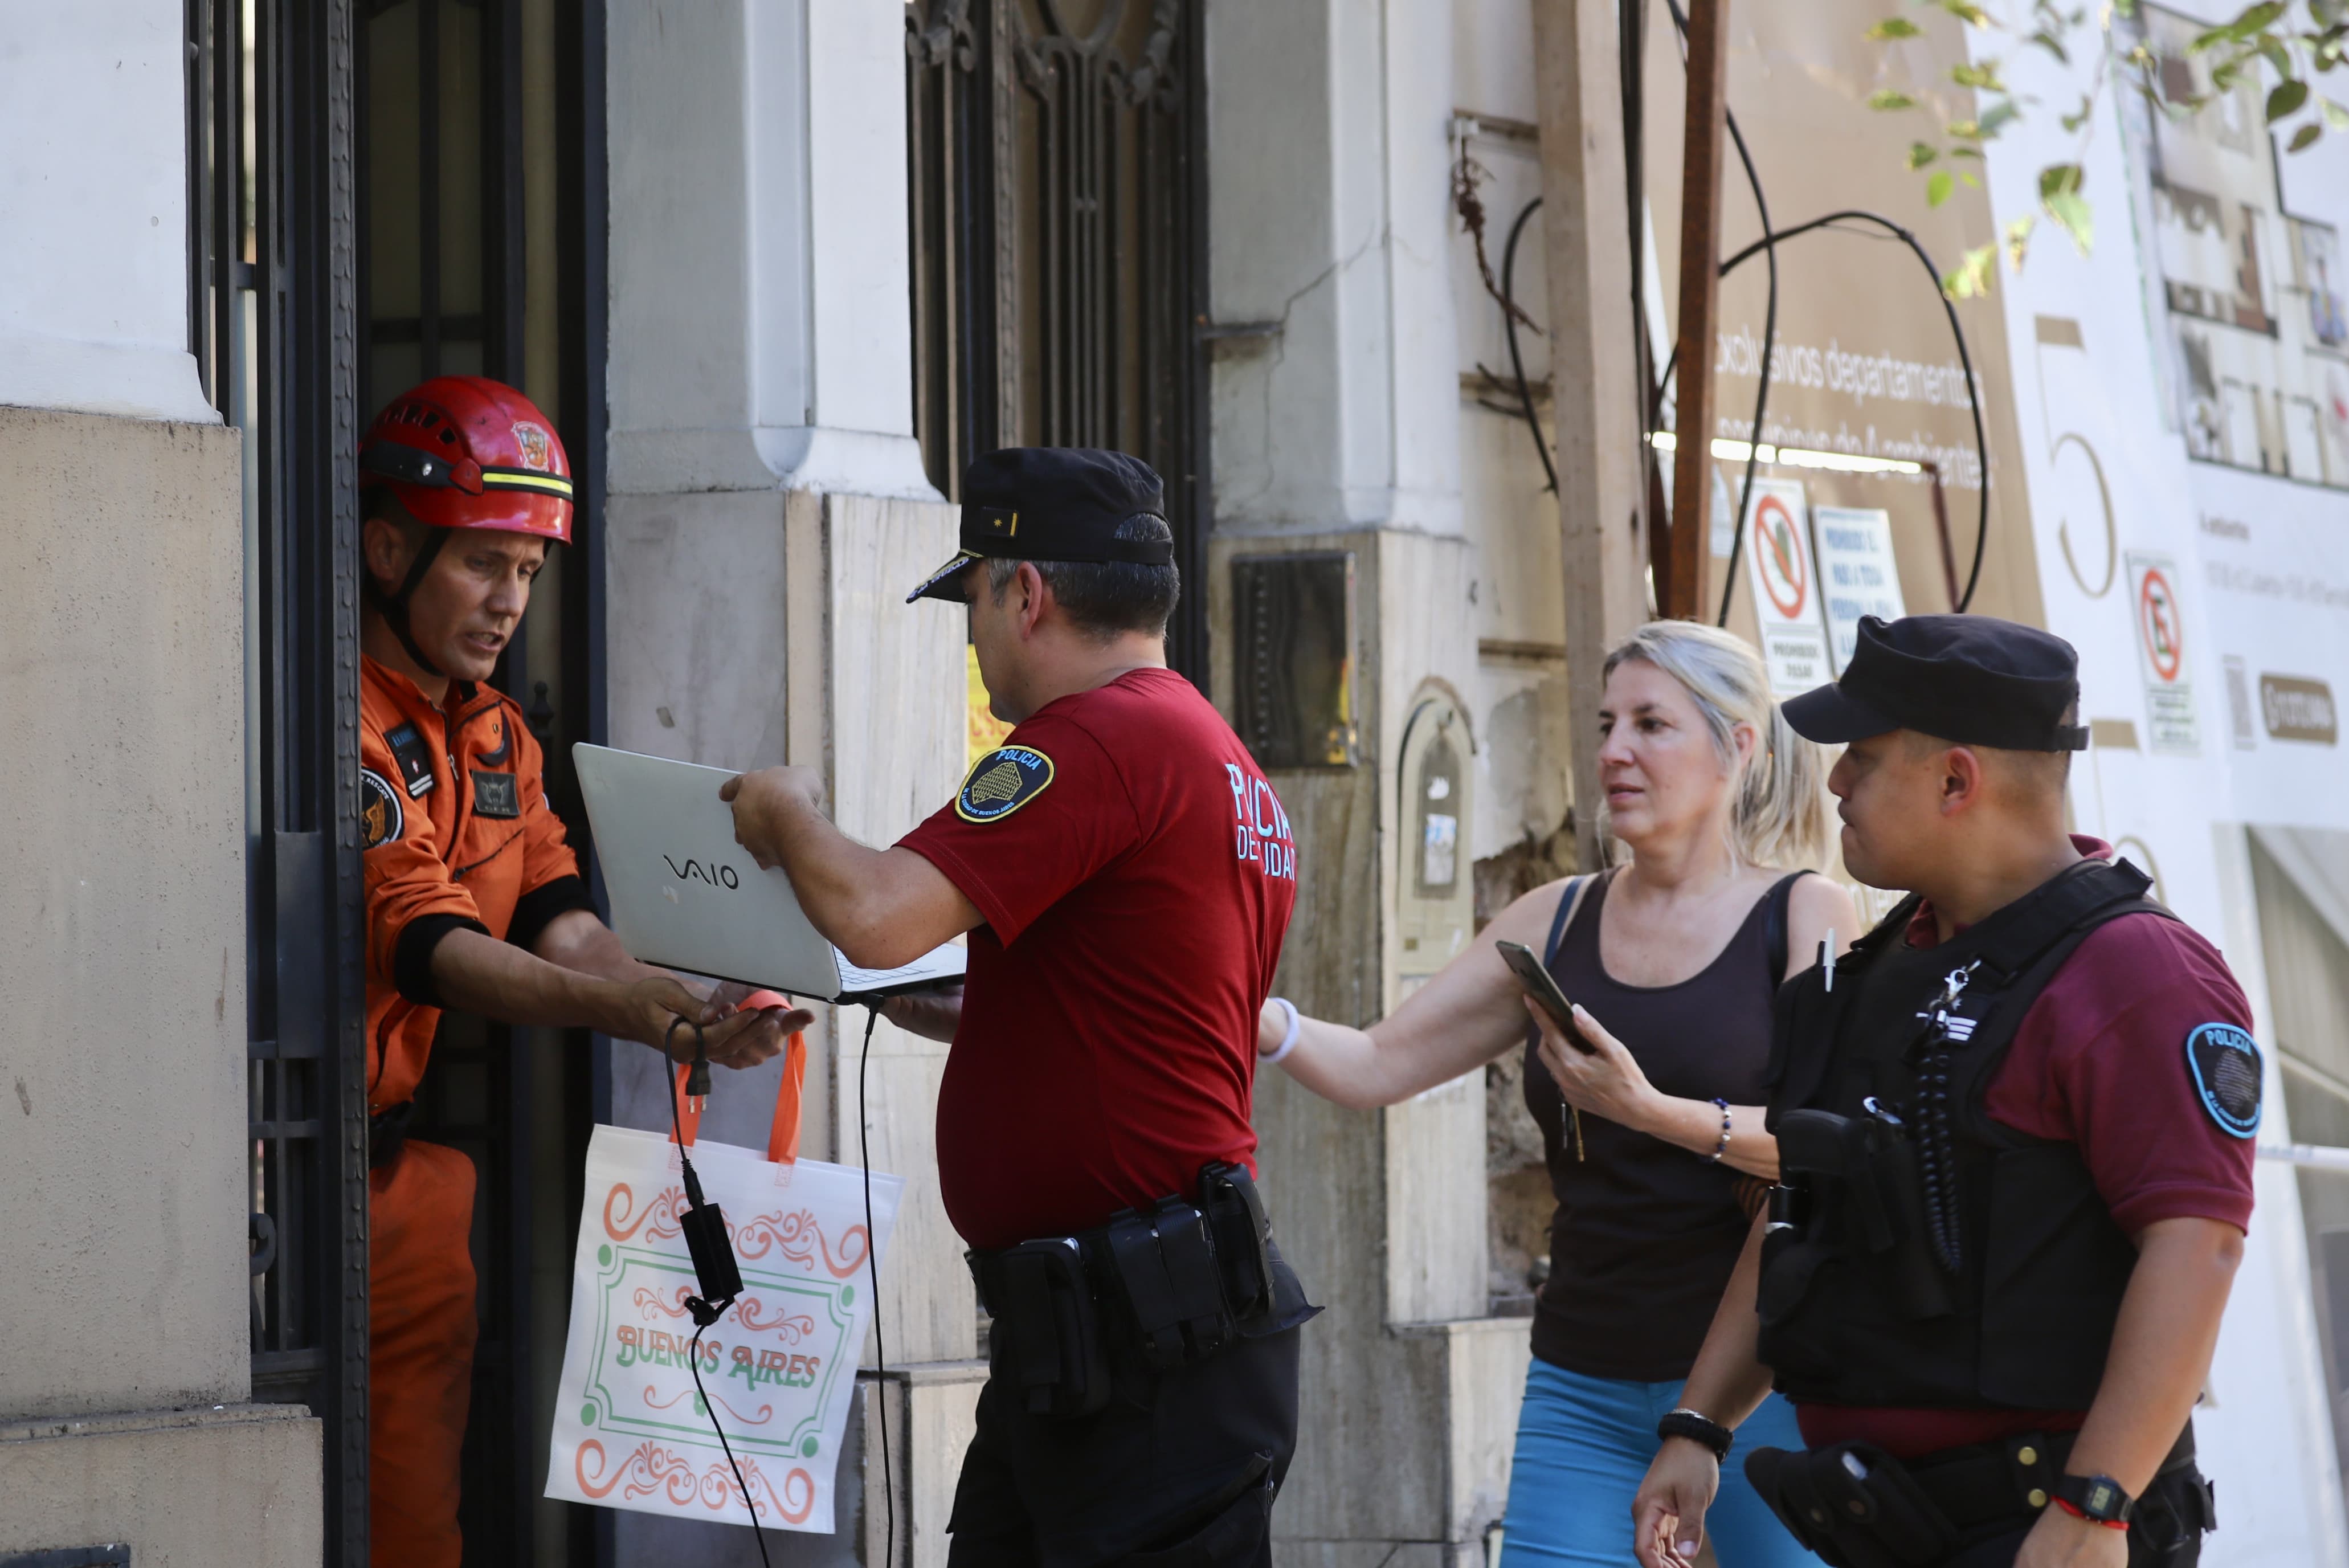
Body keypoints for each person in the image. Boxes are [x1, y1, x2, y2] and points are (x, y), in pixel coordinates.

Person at [724, 446, 1317, 1568]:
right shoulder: (1211, 750)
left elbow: (876, 915)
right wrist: (984, 1006)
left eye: (976, 601)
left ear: (1025, 591)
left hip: (1142, 1338)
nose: (977, 639)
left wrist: (787, 809)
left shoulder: (1097, 738)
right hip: (1119, 1334)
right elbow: (1157, 1007)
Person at [1630, 614, 2254, 1568]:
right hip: (1887, 1523)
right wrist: (1699, 1425)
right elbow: (1808, 1211)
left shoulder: (2137, 971)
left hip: (2049, 1522)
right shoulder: (1888, 964)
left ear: (1957, 780)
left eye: (1863, 758)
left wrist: (2095, 1508)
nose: (1835, 782)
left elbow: (2197, 1246)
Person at [1255, 620, 1856, 1568]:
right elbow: (1375, 1065)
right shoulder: (1559, 916)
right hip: (1581, 1382)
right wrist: (1252, 1014)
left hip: (1762, 1385)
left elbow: (1833, 1149)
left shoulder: (1805, 913)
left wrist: (1650, 1111)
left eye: (1652, 724)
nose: (1615, 750)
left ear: (1737, 746)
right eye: (1608, 723)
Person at [356, 375, 799, 1567]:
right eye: (483, 564)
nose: (509, 603)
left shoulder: (501, 733)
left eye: (530, 575)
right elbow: (428, 944)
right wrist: (625, 1009)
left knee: (415, 1519)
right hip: (277, 1178)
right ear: (388, 547)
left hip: (405, 1183)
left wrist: (698, 1000)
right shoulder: (327, 718)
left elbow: (559, 914)